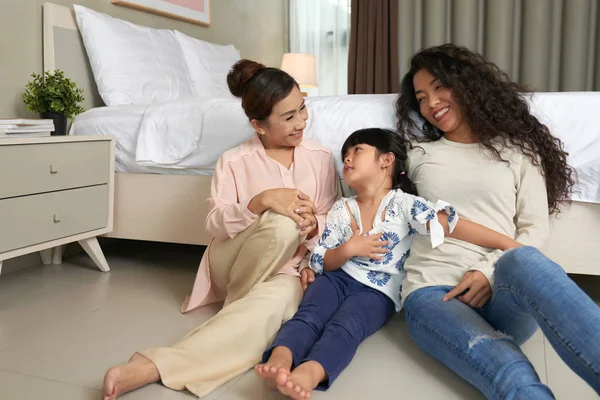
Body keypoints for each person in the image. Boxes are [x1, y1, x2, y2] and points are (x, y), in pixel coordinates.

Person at [101, 59, 339, 400]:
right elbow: (214, 223)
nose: (301, 121)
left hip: (290, 269)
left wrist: (316, 226)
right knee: (283, 224)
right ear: (258, 126)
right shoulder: (233, 160)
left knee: (272, 306)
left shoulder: (320, 157)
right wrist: (261, 201)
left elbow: (333, 216)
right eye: (288, 117)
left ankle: (154, 366)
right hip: (234, 262)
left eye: (302, 109)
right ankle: (244, 306)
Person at [256, 127, 524, 399]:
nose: (347, 158)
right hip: (335, 278)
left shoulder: (406, 205)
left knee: (346, 327)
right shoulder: (341, 208)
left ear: (386, 160)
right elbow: (323, 259)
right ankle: (280, 358)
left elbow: (452, 225)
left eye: (357, 150)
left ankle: (310, 373)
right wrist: (349, 249)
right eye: (345, 154)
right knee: (308, 316)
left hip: (377, 293)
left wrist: (508, 243)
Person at [396, 43, 600, 399]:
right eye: (421, 97)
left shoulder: (518, 151)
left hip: (501, 289)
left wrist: (489, 271)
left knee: (525, 259)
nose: (431, 103)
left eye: (440, 86)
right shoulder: (418, 153)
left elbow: (534, 229)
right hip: (435, 292)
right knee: (514, 375)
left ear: (468, 85)